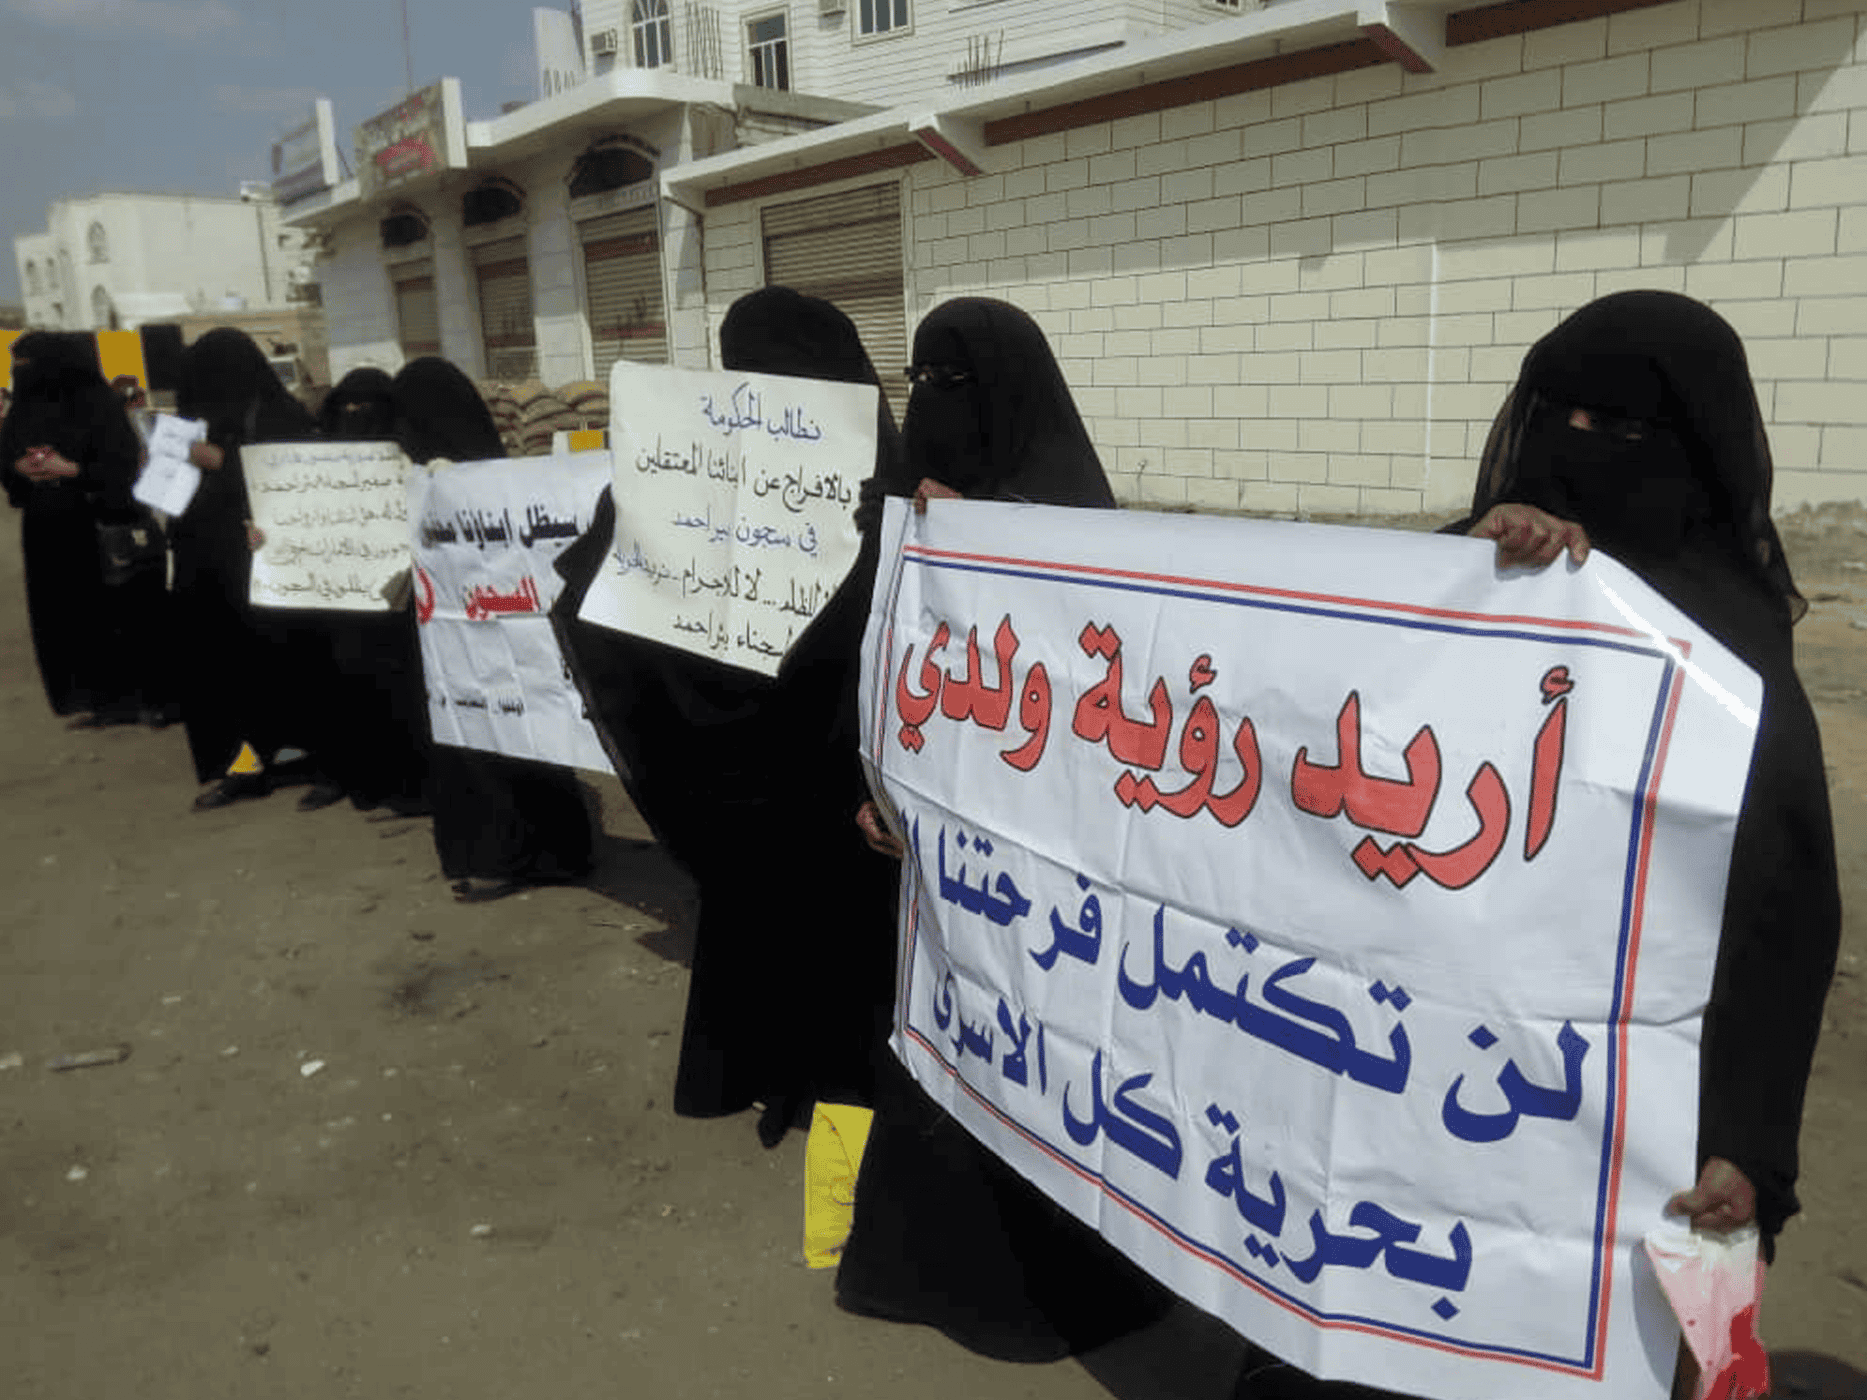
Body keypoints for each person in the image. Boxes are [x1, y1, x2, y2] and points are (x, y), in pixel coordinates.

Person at [834, 296, 1174, 1363]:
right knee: (939, 1056)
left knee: (1043, 1071)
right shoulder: (902, 519)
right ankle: (927, 1269)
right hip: (931, 873)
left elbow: (1106, 731)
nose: (933, 405)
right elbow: (881, 675)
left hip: (1051, 893)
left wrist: (994, 535)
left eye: (959, 384)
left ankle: (1057, 1292)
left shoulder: (1080, 533)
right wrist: (874, 787)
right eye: (920, 381)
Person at [552, 286, 912, 1142]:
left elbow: (588, 597)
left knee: (771, 920)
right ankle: (822, 1083)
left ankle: (776, 1075)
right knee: (822, 936)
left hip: (770, 771)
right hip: (817, 771)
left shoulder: (888, 486)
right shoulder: (692, 469)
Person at [393, 356, 593, 899]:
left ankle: (527, 854)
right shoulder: (416, 479)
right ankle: (502, 851)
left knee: (515, 740)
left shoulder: (496, 484)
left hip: (502, 641)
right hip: (452, 646)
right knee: (473, 743)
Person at [171, 327, 322, 809]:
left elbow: (294, 478)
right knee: (221, 673)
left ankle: (309, 757)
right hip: (205, 567)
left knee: (281, 667)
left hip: (265, 567)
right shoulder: (193, 421)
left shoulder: (278, 415)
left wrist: (221, 462)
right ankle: (243, 767)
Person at [1, 331, 163, 724]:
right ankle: (89, 699)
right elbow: (6, 459)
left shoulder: (98, 404)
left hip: (97, 525)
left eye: (27, 365)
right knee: (61, 618)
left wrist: (72, 469)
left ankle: (136, 699)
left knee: (112, 614)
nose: (21, 374)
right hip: (46, 528)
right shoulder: (24, 409)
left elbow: (122, 468)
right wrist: (21, 469)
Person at [300, 366, 428, 814]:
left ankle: (410, 786)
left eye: (365, 407)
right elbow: (297, 521)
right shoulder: (315, 466)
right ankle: (365, 781)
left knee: (402, 694)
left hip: (399, 606)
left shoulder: (411, 460)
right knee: (352, 691)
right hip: (342, 606)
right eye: (347, 407)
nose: (355, 415)